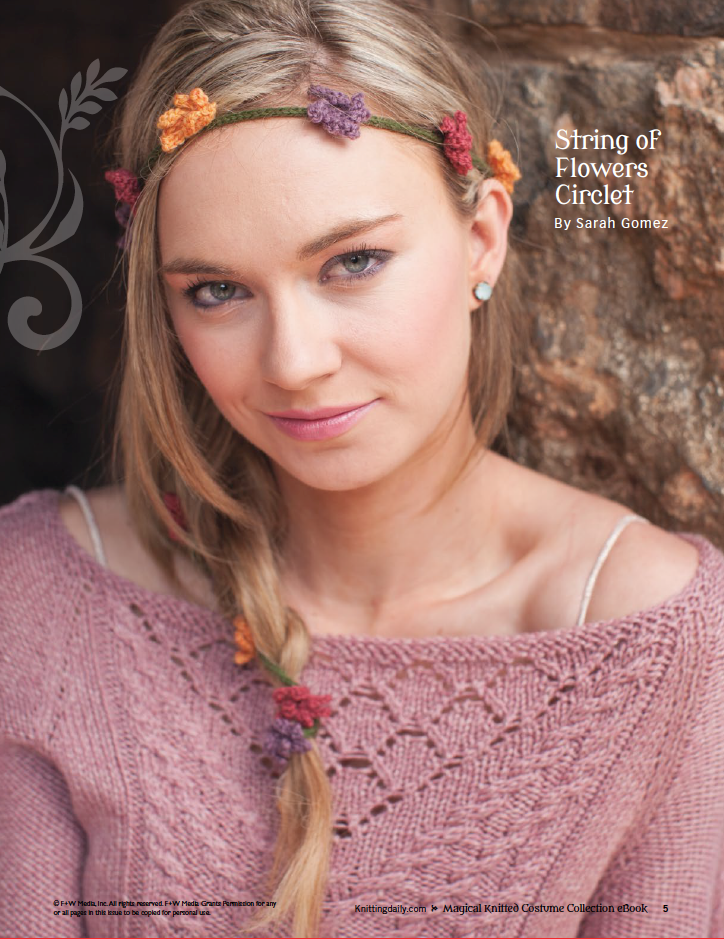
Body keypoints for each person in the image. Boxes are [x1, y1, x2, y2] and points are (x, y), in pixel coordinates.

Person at [1, 0, 723, 937]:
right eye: (216, 290)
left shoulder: (656, 639)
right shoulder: (44, 599)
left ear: (482, 239)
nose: (293, 362)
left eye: (353, 262)